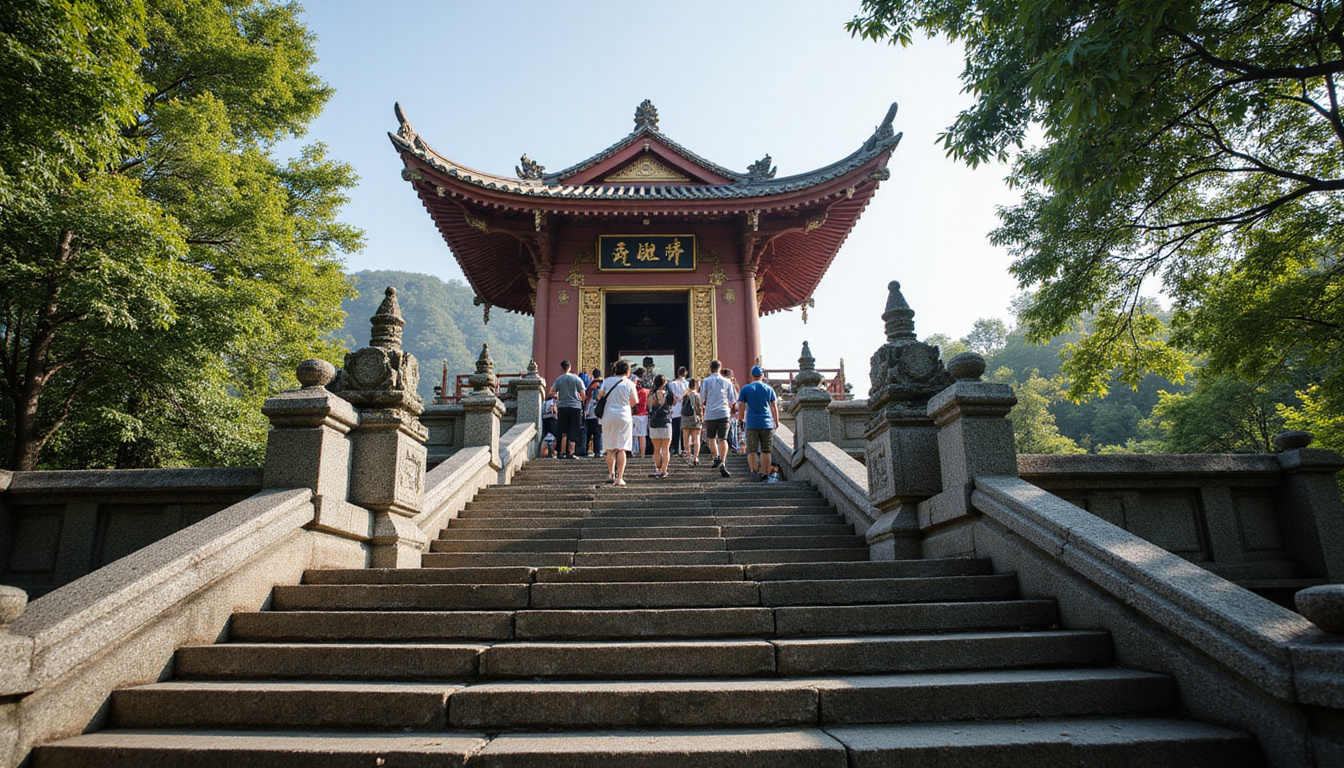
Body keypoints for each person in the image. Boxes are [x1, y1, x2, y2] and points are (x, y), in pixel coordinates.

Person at [597, 359, 639, 487]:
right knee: (621, 448)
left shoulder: (607, 381)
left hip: (608, 415)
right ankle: (619, 477)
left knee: (610, 448)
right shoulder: (630, 384)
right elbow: (634, 401)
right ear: (627, 371)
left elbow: (599, 396)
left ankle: (611, 474)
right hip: (624, 416)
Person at [736, 365, 780, 480]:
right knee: (766, 450)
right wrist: (776, 421)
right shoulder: (769, 389)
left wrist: (740, 419)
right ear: (762, 375)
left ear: (752, 376)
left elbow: (741, 406)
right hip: (767, 423)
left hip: (751, 423)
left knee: (752, 450)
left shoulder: (745, 389)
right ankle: (765, 473)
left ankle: (754, 472)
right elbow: (774, 406)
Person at [699, 360, 734, 477]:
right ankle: (723, 461)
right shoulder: (727, 382)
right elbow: (732, 400)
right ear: (720, 368)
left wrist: (703, 406)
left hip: (711, 413)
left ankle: (716, 457)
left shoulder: (706, 381)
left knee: (711, 437)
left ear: (710, 368)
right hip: (724, 412)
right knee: (723, 438)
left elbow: (701, 398)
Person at [549, 360, 586, 460]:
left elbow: (552, 392)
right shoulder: (576, 379)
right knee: (573, 429)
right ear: (570, 367)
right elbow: (583, 394)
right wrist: (579, 399)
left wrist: (559, 397)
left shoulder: (558, 379)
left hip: (562, 406)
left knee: (563, 430)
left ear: (561, 368)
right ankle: (571, 452)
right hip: (575, 407)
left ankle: (561, 452)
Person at [646, 374, 673, 478]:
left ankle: (657, 468)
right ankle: (664, 470)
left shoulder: (651, 394)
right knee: (665, 448)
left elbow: (648, 408)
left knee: (656, 448)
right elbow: (672, 403)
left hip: (654, 423)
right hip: (665, 422)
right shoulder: (667, 393)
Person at [680, 376, 703, 466]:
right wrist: (701, 418)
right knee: (696, 438)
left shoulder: (685, 395)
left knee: (686, 438)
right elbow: (699, 408)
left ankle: (688, 455)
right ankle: (696, 457)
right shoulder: (697, 395)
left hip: (685, 419)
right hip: (695, 418)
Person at [667, 366, 689, 456]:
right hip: (684, 408)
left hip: (675, 408)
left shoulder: (672, 384)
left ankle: (675, 448)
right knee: (684, 430)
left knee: (675, 429)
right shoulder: (687, 384)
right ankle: (684, 448)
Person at [583, 372, 604, 457]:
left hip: (588, 413)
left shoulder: (589, 386)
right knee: (597, 434)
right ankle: (597, 451)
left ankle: (585, 450)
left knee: (588, 433)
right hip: (597, 414)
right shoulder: (601, 385)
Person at [631, 367, 649, 457]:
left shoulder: (633, 392)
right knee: (642, 436)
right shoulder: (646, 392)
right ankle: (642, 454)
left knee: (632, 435)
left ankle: (632, 451)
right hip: (643, 414)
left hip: (634, 414)